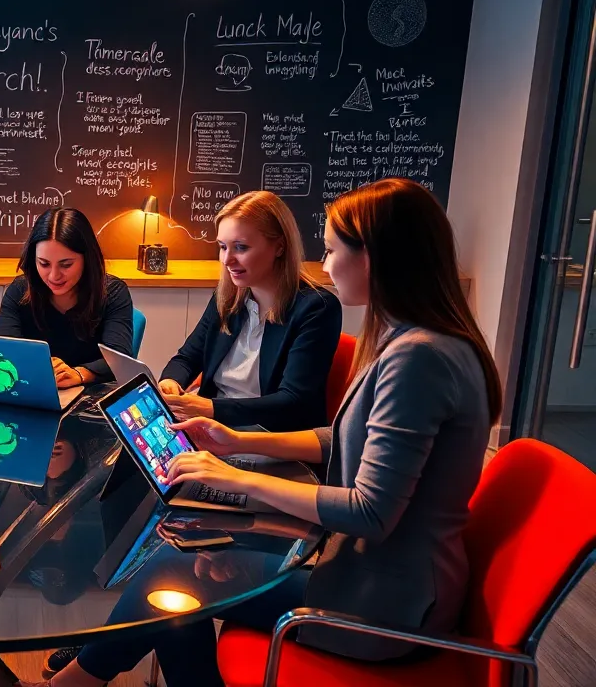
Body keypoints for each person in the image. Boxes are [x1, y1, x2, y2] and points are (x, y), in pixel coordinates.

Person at [27, 178, 500, 687]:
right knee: (176, 574)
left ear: (375, 257)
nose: (325, 262)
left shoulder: (418, 358)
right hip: (375, 572)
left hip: (385, 604)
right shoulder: (422, 342)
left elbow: (372, 512)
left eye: (333, 249)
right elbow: (338, 436)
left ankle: (70, 683)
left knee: (167, 578)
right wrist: (238, 443)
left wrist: (237, 479)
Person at [158, 190, 342, 431]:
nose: (227, 260)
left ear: (279, 247)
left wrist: (209, 408)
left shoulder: (316, 307)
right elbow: (186, 358)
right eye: (223, 247)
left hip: (270, 438)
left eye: (241, 247)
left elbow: (293, 402)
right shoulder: (227, 297)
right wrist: (170, 382)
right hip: (211, 427)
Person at [0, 208, 134, 388]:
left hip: (92, 398)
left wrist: (79, 374)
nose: (54, 276)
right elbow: (3, 351)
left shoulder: (112, 292)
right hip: (33, 391)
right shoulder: (19, 291)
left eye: (66, 265)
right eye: (44, 263)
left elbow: (120, 358)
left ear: (87, 259)